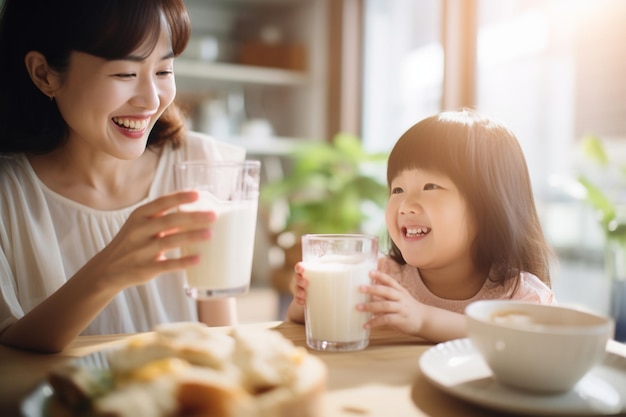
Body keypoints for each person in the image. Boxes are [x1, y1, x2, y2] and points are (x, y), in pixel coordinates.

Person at [0, 0, 246, 353]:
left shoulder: (199, 164)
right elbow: (8, 356)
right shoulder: (9, 195)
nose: (150, 99)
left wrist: (300, 313)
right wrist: (108, 272)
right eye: (125, 74)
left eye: (164, 71)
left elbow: (223, 338)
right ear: (45, 74)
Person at [287, 109, 556, 342]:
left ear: (489, 203)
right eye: (398, 189)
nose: (405, 205)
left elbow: (528, 341)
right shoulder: (382, 277)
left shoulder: (520, 296)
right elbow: (298, 318)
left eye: (430, 186)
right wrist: (309, 295)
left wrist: (423, 319)